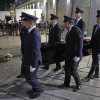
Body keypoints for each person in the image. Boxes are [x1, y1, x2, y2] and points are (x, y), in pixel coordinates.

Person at [59, 16, 83, 92]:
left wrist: (78, 55)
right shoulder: (69, 30)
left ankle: (79, 84)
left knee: (73, 70)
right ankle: (66, 83)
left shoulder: (76, 30)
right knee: (67, 69)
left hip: (75, 55)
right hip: (69, 54)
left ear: (70, 23)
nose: (64, 25)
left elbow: (80, 44)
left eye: (65, 23)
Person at [23, 13, 44, 99]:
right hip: (30, 59)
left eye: (26, 22)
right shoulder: (30, 31)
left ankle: (39, 89)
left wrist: (33, 65)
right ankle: (35, 88)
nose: (24, 24)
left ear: (31, 23)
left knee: (29, 77)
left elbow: (36, 50)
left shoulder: (34, 33)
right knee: (33, 76)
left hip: (34, 60)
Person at [83, 10, 100, 82]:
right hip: (94, 47)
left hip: (99, 49)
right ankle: (97, 74)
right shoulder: (95, 26)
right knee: (95, 61)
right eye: (97, 17)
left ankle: (89, 76)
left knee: (94, 63)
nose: (97, 19)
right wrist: (90, 45)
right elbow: (93, 37)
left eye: (98, 18)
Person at [16, 12, 27, 78]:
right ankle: (24, 73)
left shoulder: (26, 27)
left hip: (26, 47)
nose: (21, 19)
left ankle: (23, 73)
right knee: (24, 59)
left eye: (22, 18)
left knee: (25, 60)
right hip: (23, 46)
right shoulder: (23, 27)